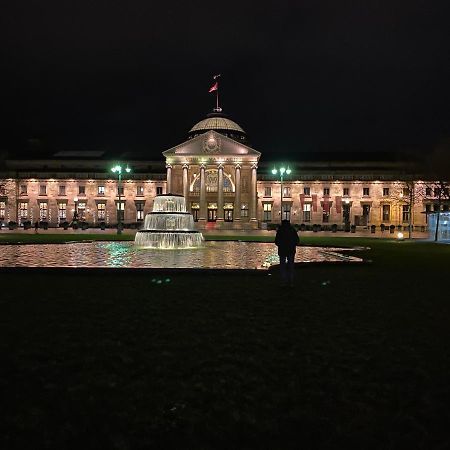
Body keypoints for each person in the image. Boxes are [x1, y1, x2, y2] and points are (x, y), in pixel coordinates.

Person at [275, 220, 300, 287]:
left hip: (282, 251)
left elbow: (276, 241)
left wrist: (281, 245)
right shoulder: (292, 230)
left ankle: (283, 282)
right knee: (291, 266)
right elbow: (297, 241)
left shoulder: (280, 231)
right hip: (291, 250)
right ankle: (291, 282)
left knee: (282, 266)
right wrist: (293, 245)